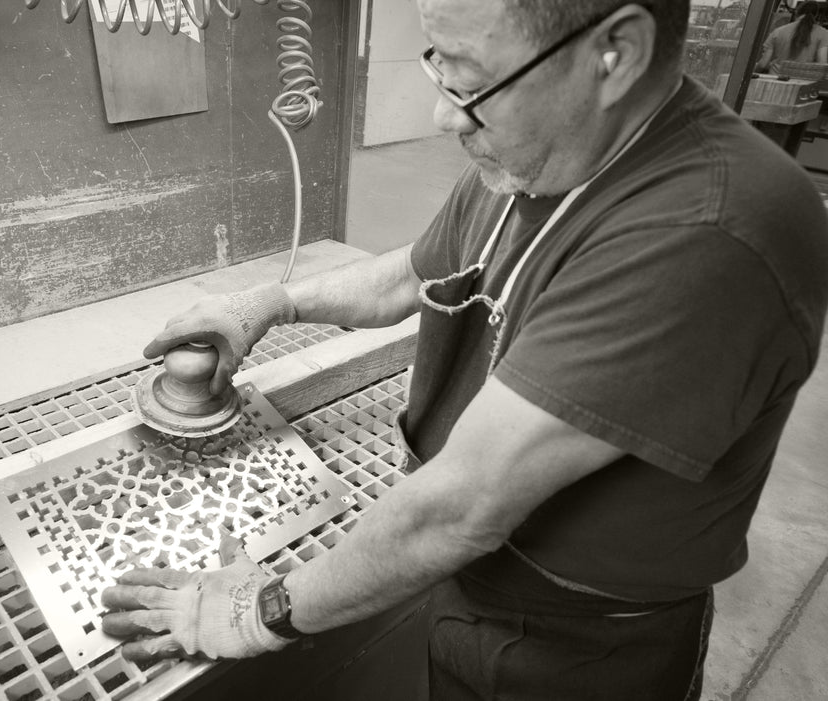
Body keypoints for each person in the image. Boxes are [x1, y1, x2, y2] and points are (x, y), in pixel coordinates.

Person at [100, 1, 828, 698]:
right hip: (473, 582)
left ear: (617, 53)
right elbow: (409, 276)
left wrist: (252, 610)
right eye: (440, 69)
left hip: (583, 651)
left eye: (473, 84)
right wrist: (272, 302)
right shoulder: (547, 151)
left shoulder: (709, 232)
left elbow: (458, 509)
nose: (445, 114)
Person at [758, 1, 828, 73]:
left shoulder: (777, 32)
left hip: (774, 79)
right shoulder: (823, 33)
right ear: (816, 16)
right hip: (803, 81)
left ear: (797, 13)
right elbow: (821, 65)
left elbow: (762, 65)